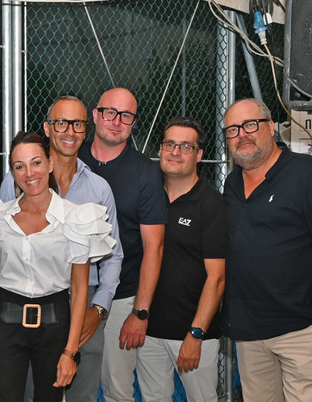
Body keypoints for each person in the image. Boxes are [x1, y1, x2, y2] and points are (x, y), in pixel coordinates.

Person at [222, 98, 312, 401]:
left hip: (301, 329)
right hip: (248, 332)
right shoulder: (231, 185)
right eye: (232, 129)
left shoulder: (309, 174)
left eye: (250, 124)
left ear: (271, 127)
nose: (242, 134)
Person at [0, 95, 123, 402]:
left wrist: (100, 307)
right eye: (61, 122)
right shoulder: (15, 183)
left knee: (82, 395)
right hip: (33, 306)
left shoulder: (99, 188)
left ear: (85, 130)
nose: (69, 131)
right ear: (47, 127)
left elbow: (113, 256)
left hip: (86, 301)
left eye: (78, 123)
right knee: (33, 394)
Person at [77, 87, 166, 402]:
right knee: (62, 380)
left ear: (133, 122)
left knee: (117, 388)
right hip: (69, 292)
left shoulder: (146, 173)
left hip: (122, 296)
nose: (116, 121)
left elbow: (153, 247)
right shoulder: (71, 158)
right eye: (110, 112)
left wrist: (139, 312)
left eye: (126, 115)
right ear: (96, 114)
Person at [136, 117, 226, 401]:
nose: (175, 152)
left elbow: (218, 277)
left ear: (199, 155)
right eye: (169, 144)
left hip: (193, 334)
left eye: (185, 146)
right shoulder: (146, 196)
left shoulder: (212, 205)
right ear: (160, 149)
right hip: (148, 330)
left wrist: (196, 334)